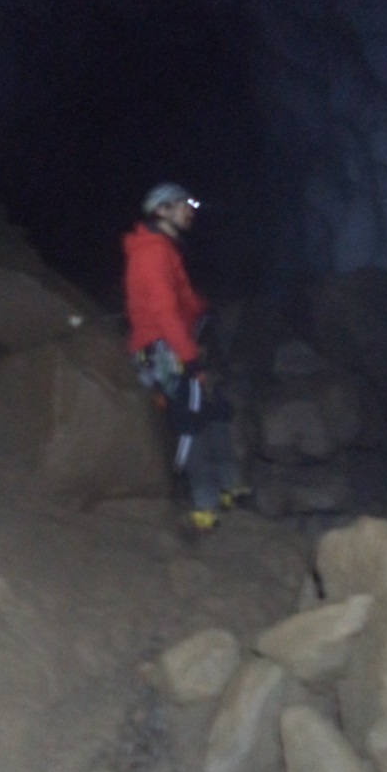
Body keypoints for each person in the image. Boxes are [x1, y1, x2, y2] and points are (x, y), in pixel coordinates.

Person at [122, 182, 250, 532]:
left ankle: (229, 484)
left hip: (172, 342)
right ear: (161, 211)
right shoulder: (152, 253)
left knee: (214, 405)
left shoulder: (165, 249)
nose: (189, 210)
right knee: (191, 416)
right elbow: (164, 313)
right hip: (159, 348)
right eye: (182, 204)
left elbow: (183, 301)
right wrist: (190, 359)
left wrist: (202, 308)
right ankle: (204, 504)